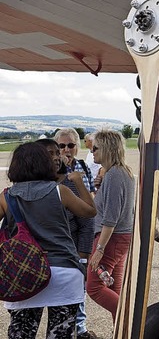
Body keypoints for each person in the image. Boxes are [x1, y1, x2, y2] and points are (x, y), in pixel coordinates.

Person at [1, 142, 96, 338]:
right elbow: (90, 211)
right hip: (64, 271)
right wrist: (79, 181)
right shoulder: (60, 191)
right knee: (61, 333)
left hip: (24, 273)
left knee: (21, 331)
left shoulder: (6, 197)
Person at [35, 138, 97, 339]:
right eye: (52, 152)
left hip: (66, 262)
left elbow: (87, 222)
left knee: (63, 325)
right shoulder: (24, 188)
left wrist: (83, 259)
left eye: (58, 151)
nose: (58, 155)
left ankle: (81, 328)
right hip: (34, 264)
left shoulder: (69, 184)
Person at [86, 129, 135, 321]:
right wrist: (101, 187)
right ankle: (123, 330)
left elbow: (111, 217)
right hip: (120, 238)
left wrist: (99, 249)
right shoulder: (120, 173)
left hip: (111, 239)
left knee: (95, 288)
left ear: (107, 148)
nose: (92, 152)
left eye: (95, 148)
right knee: (115, 288)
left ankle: (131, 319)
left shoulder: (115, 175)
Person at [55, 128, 96, 195]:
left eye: (70, 146)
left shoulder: (83, 165)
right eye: (62, 146)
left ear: (77, 147)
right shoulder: (53, 169)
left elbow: (92, 192)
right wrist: (61, 167)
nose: (66, 150)